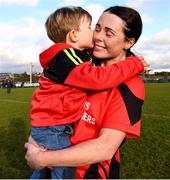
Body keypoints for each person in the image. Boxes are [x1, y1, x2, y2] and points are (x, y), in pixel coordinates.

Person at [26, 6, 148, 179]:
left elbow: (104, 148)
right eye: (96, 28)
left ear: (129, 42)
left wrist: (41, 158)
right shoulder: (82, 67)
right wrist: (35, 140)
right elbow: (50, 103)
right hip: (51, 154)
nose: (97, 36)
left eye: (109, 33)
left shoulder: (130, 85)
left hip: (88, 173)